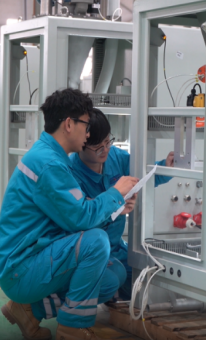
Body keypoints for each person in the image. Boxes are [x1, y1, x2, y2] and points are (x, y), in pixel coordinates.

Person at [0, 89, 139, 340]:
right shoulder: (50, 164)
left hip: (31, 257)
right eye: (86, 125)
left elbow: (72, 214)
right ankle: (72, 328)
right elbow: (80, 218)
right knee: (96, 242)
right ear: (69, 124)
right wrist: (115, 194)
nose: (88, 133)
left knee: (109, 277)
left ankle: (30, 311)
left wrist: (114, 208)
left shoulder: (50, 156)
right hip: (21, 269)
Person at [70, 108, 174, 301]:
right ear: (81, 143)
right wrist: (115, 207)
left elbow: (144, 176)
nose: (105, 149)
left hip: (116, 246)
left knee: (145, 274)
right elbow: (80, 217)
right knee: (114, 276)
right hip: (89, 249)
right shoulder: (70, 173)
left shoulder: (116, 157)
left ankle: (115, 298)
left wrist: (166, 167)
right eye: (98, 146)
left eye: (108, 141)